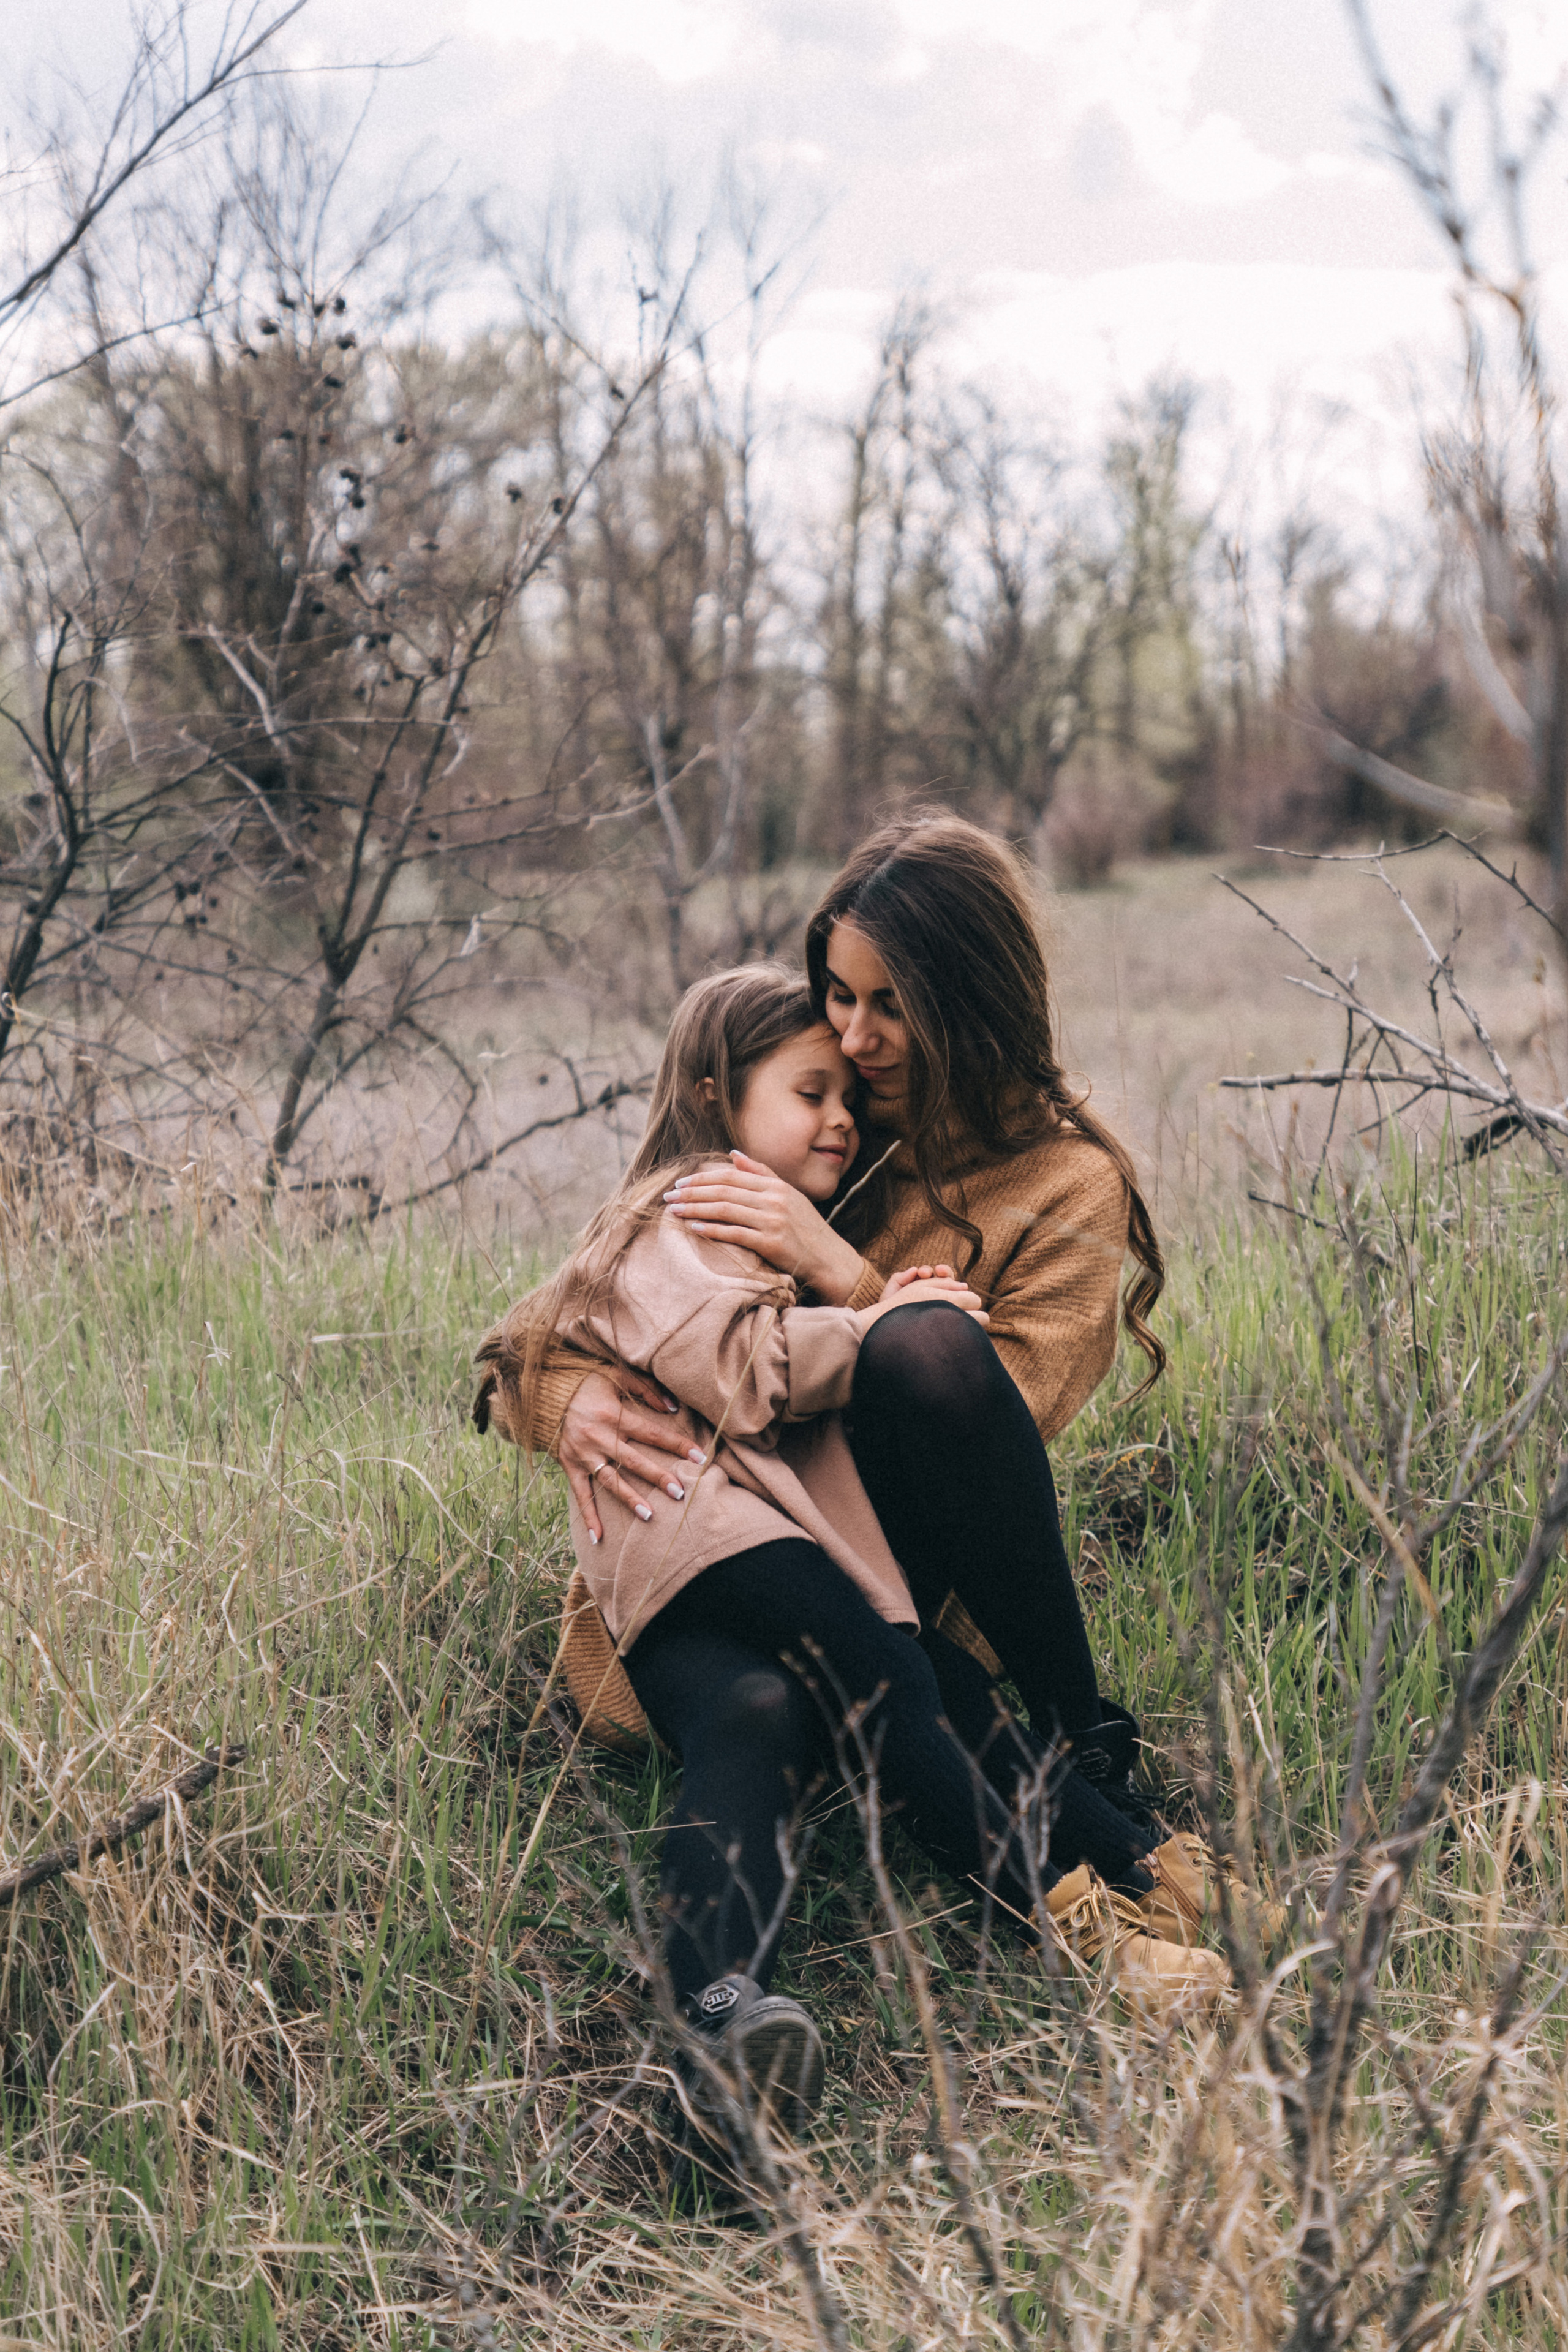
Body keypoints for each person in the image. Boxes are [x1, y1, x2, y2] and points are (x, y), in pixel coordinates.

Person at [476, 962, 1227, 2188]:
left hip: (738, 1564)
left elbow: (976, 1413)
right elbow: (692, 1356)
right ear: (719, 1098)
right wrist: (876, 1317)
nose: (844, 1101)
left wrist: (869, 1289)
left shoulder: (1036, 1185)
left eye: (857, 1071)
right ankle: (1089, 1929)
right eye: (812, 1081)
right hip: (708, 1534)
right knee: (892, 1681)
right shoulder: (700, 1202)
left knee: (767, 1713)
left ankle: (712, 2027)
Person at [543, 814, 1165, 1807]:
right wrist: (564, 1395)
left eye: (891, 1004)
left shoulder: (1068, 1183)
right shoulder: (829, 1115)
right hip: (728, 1548)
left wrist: (834, 1263)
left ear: (971, 997)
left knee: (929, 1343)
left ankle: (1076, 1734)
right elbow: (611, 1276)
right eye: (839, 994)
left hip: (899, 1564)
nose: (854, 1034)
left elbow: (994, 1412)